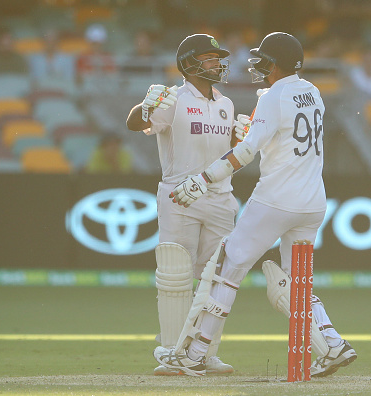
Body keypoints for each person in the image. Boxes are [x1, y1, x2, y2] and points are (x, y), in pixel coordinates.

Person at [154, 32, 357, 377]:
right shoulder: (313, 92)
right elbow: (285, 127)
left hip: (277, 199)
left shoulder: (273, 96)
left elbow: (247, 151)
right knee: (297, 281)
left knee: (228, 267)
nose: (258, 66)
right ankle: (334, 344)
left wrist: (203, 180)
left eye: (263, 60)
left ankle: (197, 352)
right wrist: (261, 118)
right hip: (313, 202)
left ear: (274, 63)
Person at [126, 33, 241, 376]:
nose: (217, 64)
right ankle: (172, 351)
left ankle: (206, 352)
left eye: (218, 58)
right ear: (189, 63)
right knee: (177, 274)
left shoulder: (226, 104)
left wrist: (242, 137)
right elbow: (135, 123)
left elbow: (225, 151)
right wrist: (145, 106)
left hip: (220, 197)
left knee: (216, 278)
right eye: (208, 58)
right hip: (179, 196)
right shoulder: (171, 99)